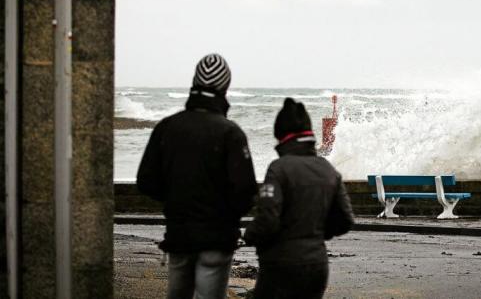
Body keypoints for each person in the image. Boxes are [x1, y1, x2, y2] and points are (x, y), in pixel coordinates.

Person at [137, 53, 257, 299]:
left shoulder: (167, 127)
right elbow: (245, 191)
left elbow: (146, 181)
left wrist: (175, 199)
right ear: (225, 86)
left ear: (194, 83)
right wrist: (225, 213)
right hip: (217, 236)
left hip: (179, 234)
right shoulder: (230, 133)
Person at [244, 98, 355, 299]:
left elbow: (268, 218)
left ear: (283, 136)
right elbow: (346, 220)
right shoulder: (328, 170)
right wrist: (318, 234)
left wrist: (249, 235)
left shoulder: (279, 169)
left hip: (281, 264)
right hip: (317, 265)